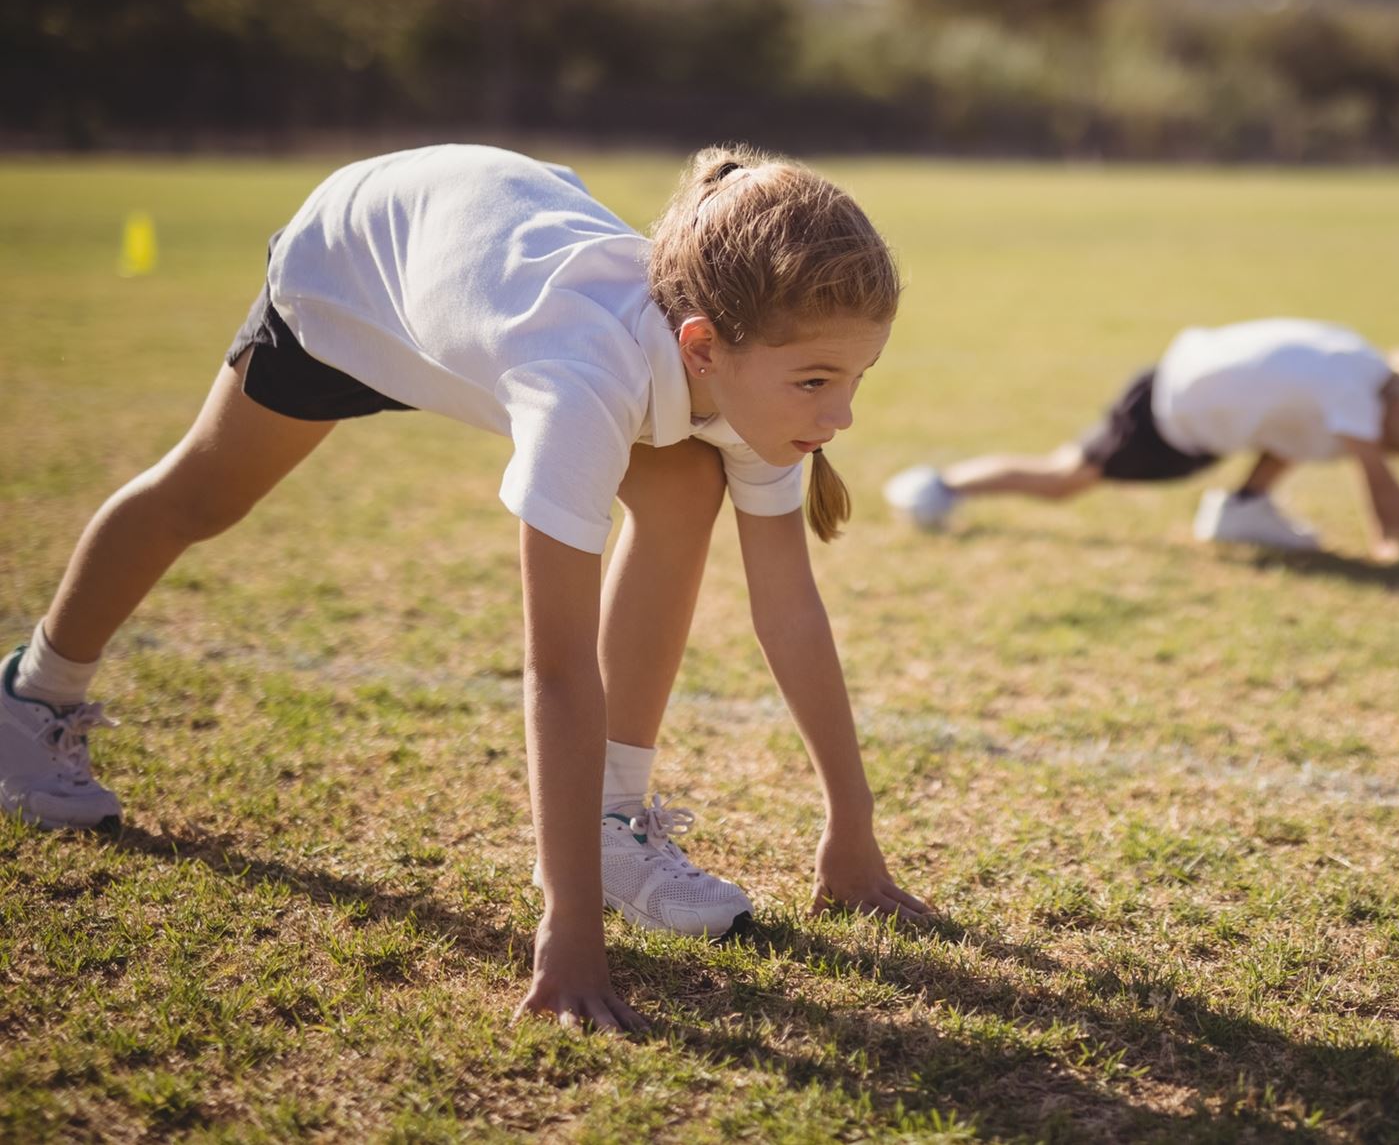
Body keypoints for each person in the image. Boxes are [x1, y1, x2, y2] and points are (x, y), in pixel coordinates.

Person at [0, 143, 932, 1031]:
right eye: (816, 380)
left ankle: (612, 818)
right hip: (361, 268)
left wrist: (852, 830)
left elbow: (791, 611)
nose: (841, 415)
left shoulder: (753, 388)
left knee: (686, 481)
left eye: (857, 379)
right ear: (702, 347)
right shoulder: (583, 383)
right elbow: (557, 668)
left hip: (485, 258)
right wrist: (572, 936)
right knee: (198, 497)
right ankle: (32, 698)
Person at [884, 318, 1399, 566]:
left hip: (1183, 394)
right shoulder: (1355, 395)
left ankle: (1243, 510)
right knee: (1064, 480)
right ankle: (940, 486)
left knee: (1309, 433)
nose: (1391, 454)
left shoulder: (1357, 363)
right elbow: (1376, 478)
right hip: (1166, 421)